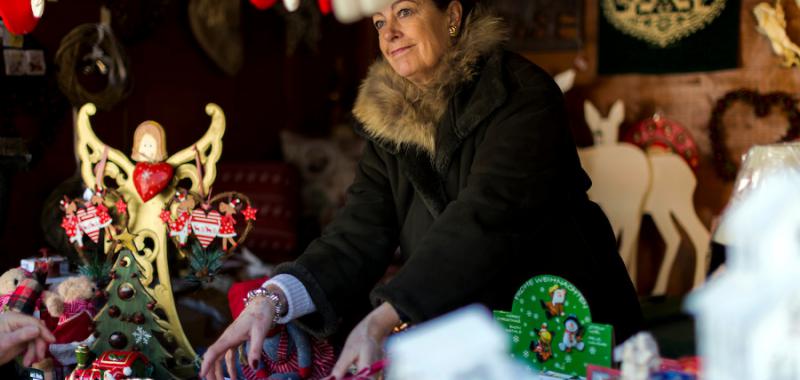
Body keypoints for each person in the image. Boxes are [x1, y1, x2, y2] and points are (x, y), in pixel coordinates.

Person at [201, 0, 642, 378]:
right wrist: (272, 299)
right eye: (378, 21)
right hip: (467, 337)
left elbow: (484, 219)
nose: (388, 32)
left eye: (405, 11)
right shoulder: (388, 120)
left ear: (451, 14)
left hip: (561, 328)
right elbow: (358, 232)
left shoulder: (522, 95)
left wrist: (383, 318)